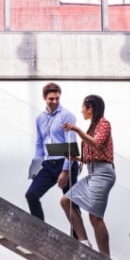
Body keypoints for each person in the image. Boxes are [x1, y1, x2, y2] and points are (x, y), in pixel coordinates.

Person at [60, 94, 116, 256]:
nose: (81, 111)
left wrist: (77, 130)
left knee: (95, 217)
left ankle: (106, 259)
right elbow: (88, 158)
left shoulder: (104, 124)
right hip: (92, 172)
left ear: (90, 108)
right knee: (66, 201)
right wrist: (74, 157)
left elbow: (96, 143)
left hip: (103, 173)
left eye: (83, 107)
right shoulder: (92, 128)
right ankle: (84, 241)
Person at [25, 82, 79, 223]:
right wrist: (35, 168)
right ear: (44, 98)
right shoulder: (40, 118)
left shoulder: (67, 116)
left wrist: (66, 170)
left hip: (66, 164)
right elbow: (39, 144)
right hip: (49, 165)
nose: (54, 101)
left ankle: (78, 241)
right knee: (31, 195)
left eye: (57, 98)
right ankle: (40, 231)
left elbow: (71, 145)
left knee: (72, 204)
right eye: (51, 99)